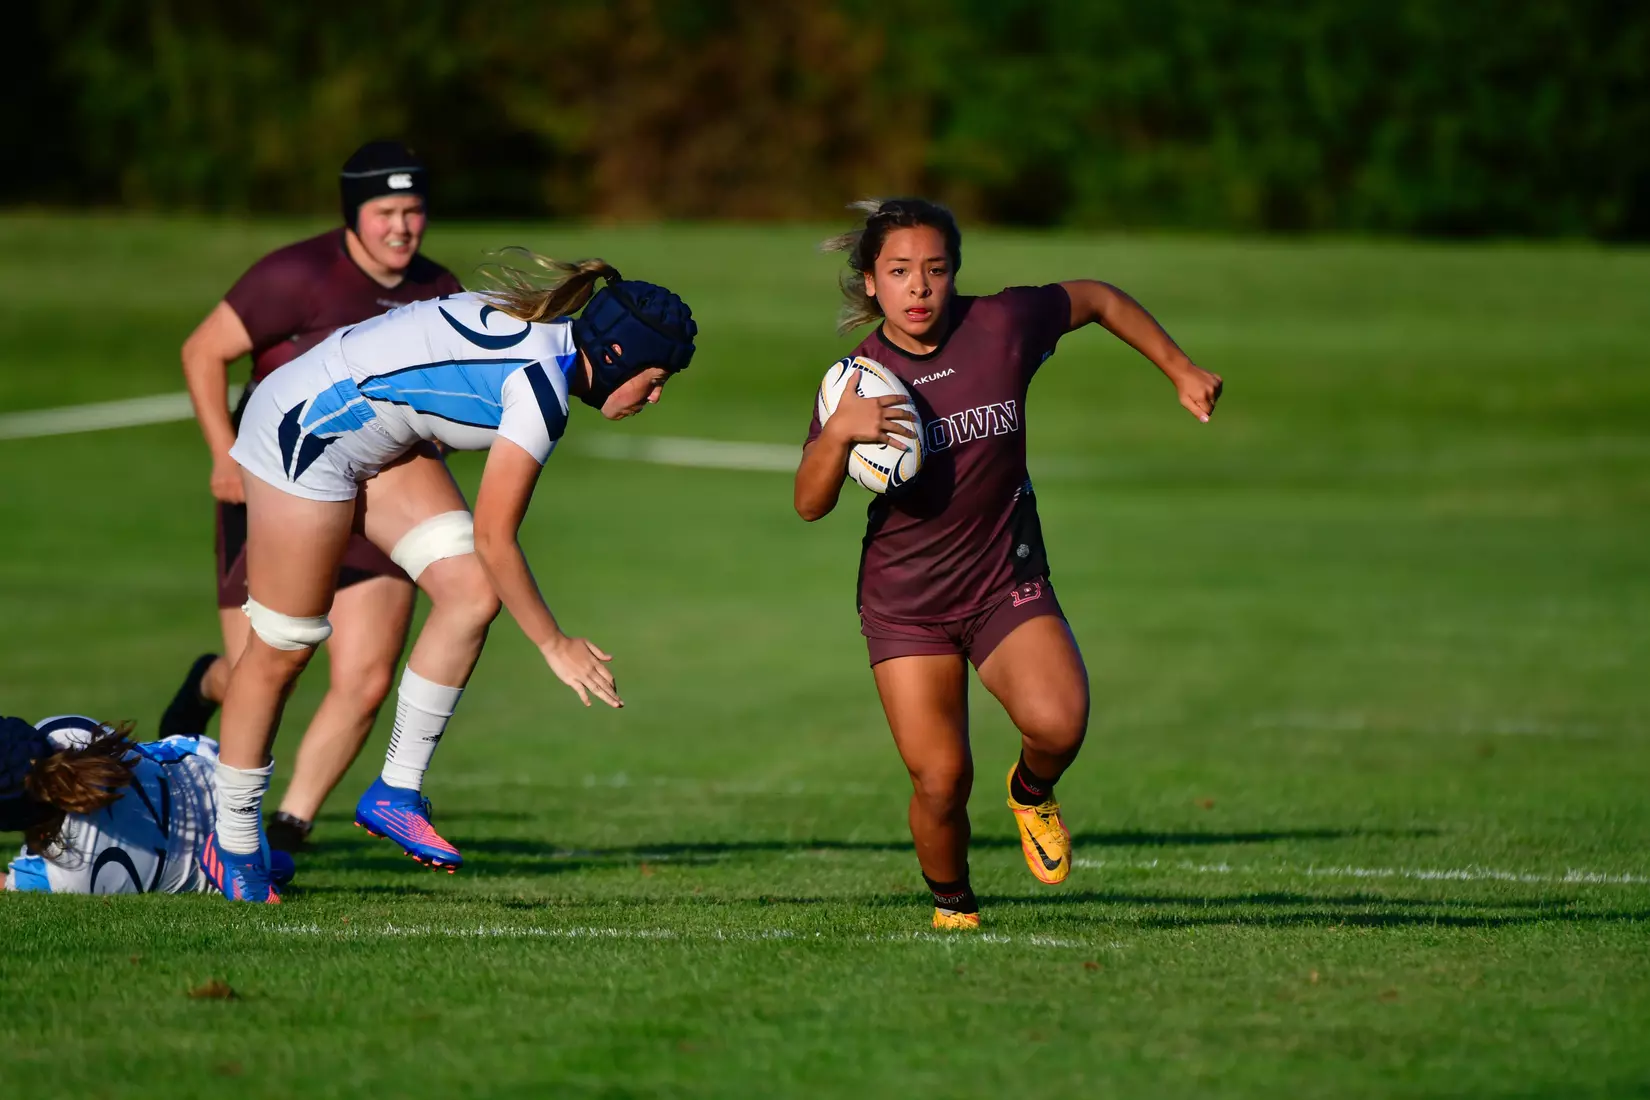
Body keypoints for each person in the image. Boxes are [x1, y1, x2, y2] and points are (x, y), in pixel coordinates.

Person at [204, 254, 697, 902]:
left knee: (471, 594)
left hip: (372, 432)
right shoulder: (542, 389)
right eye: (654, 379)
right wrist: (554, 645)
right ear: (614, 356)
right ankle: (232, 844)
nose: (654, 396)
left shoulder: (546, 334)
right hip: (308, 428)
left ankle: (395, 791)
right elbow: (496, 536)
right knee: (281, 651)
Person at [794, 199, 1223, 930]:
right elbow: (808, 503)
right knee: (940, 780)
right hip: (908, 605)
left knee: (1061, 722)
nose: (919, 287)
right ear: (870, 283)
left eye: (934, 270)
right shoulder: (856, 383)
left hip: (1002, 579)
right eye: (899, 272)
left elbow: (1097, 299)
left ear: (955, 273)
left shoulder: (1000, 327)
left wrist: (1179, 369)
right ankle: (954, 905)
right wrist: (837, 439)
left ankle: (1030, 792)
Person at [165, 140, 465, 853]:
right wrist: (221, 455)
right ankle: (200, 689)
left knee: (364, 680)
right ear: (353, 214)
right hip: (277, 491)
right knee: (260, 672)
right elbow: (203, 351)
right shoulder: (296, 275)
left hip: (384, 496)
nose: (402, 227)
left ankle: (288, 829)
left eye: (415, 211)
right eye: (386, 212)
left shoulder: (438, 288)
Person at [1, 714, 294, 895]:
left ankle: (268, 864)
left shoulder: (52, 878)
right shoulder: (68, 731)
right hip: (225, 775)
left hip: (224, 873)